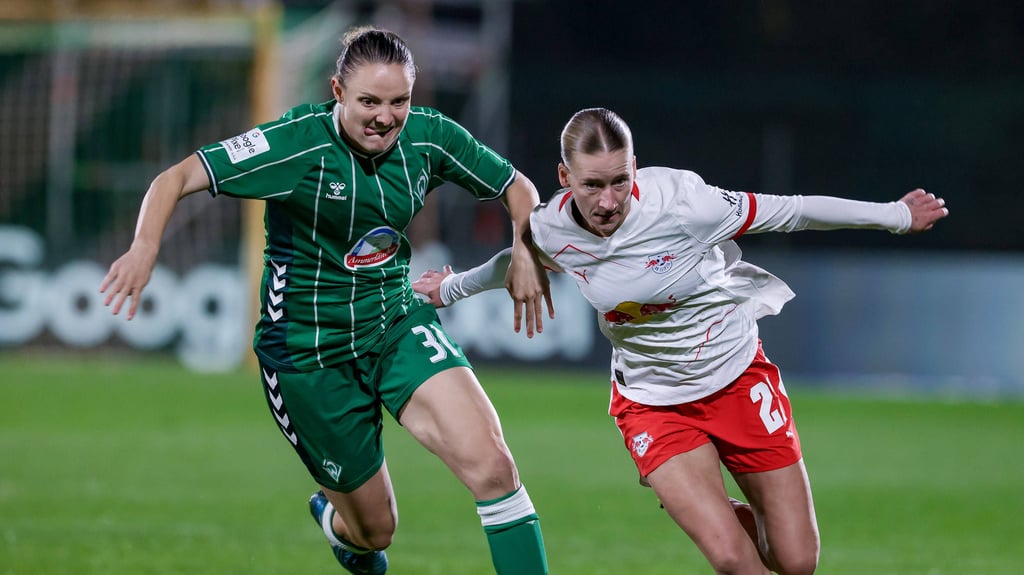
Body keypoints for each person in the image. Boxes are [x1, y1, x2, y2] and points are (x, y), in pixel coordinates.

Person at [413, 107, 949, 575]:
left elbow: (794, 210)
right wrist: (452, 288)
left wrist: (896, 216)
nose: (607, 201)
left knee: (795, 562)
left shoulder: (685, 204)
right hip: (653, 403)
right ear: (564, 176)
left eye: (620, 181)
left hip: (736, 377)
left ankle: (712, 507)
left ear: (636, 168)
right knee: (734, 562)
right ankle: (693, 499)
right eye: (592, 185)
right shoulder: (553, 228)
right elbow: (512, 262)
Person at [100, 26, 552, 575]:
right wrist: (144, 249)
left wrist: (523, 248)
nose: (385, 117)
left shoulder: (429, 137)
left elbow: (517, 187)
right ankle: (339, 524)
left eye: (399, 101)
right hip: (310, 358)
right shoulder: (296, 144)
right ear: (338, 91)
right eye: (369, 102)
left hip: (394, 323)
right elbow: (175, 178)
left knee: (494, 468)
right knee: (375, 531)